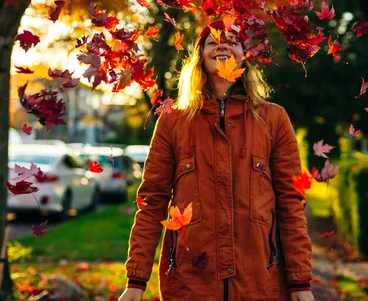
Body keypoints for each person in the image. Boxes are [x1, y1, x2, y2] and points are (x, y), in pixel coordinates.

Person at [119, 21, 314, 301]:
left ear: (244, 56)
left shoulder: (273, 119)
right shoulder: (173, 122)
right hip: (190, 284)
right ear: (199, 58)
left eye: (232, 40)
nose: (221, 43)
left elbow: (291, 204)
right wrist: (136, 281)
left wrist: (300, 282)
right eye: (211, 41)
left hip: (259, 282)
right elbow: (152, 202)